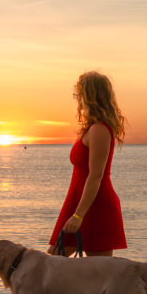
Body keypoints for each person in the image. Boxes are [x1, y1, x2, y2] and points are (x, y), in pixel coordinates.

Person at [49, 71, 127, 257]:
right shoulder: (92, 129)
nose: (77, 99)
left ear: (89, 96)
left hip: (95, 204)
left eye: (79, 94)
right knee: (53, 262)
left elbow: (96, 175)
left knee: (99, 274)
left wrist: (78, 215)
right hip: (78, 200)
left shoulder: (99, 129)